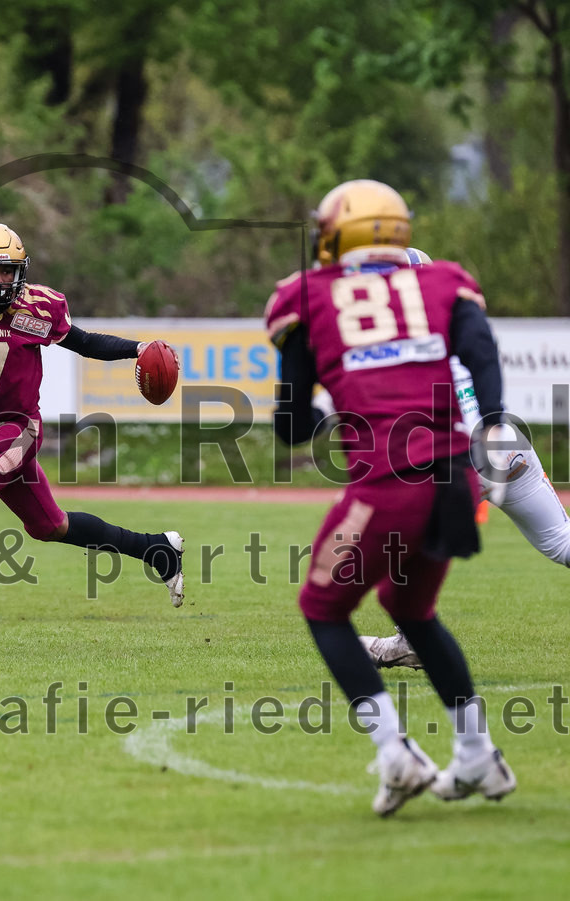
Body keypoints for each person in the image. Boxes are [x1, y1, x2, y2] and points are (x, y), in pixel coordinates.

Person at [266, 179, 517, 816]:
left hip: (389, 482)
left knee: (322, 605)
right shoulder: (441, 282)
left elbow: (291, 425)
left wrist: (338, 413)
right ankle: (477, 755)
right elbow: (481, 352)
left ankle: (395, 753)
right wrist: (492, 420)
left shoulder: (307, 296)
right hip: (455, 477)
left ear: (335, 235)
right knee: (408, 605)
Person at [0, 222, 184, 655]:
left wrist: (137, 348)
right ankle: (157, 550)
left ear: (20, 271)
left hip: (20, 428)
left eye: (6, 271)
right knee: (51, 526)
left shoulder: (40, 306)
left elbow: (85, 342)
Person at [359, 249, 570, 670]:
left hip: (457, 456)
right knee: (562, 543)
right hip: (504, 443)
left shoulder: (395, 341)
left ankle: (410, 641)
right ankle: (410, 638)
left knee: (391, 537)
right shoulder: (453, 321)